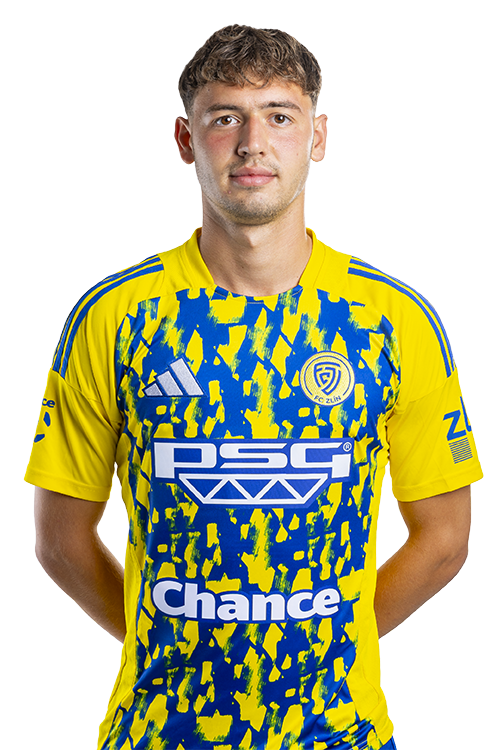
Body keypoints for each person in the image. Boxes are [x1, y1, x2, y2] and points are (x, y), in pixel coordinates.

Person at [25, 23, 483, 750]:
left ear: (318, 137)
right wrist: (166, 643)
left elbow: (446, 538)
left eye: (279, 115)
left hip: (342, 732)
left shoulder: (393, 322)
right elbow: (59, 541)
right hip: (158, 732)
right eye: (225, 118)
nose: (252, 143)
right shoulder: (114, 317)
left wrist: (332, 646)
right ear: (186, 139)